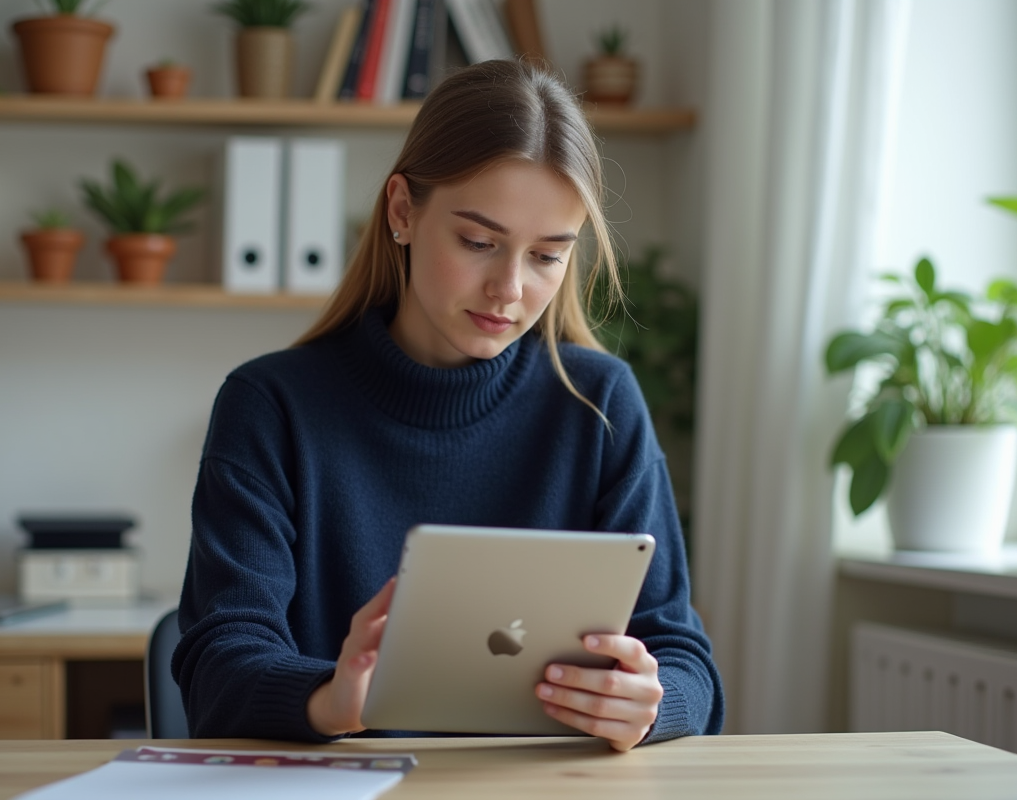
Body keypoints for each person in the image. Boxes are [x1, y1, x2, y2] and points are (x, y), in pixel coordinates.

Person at [173, 59, 724, 752]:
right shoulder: (271, 406)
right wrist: (329, 699)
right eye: (478, 242)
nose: (510, 289)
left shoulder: (600, 404)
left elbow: (683, 659)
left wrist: (650, 703)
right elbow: (218, 664)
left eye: (548, 256)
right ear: (403, 211)